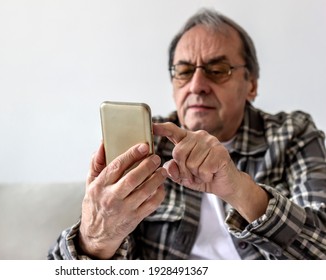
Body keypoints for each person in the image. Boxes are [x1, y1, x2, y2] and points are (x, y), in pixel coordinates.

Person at [48, 8, 326, 260]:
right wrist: (96, 238)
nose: (197, 85)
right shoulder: (145, 146)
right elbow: (55, 267)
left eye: (218, 70)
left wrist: (239, 189)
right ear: (173, 84)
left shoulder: (293, 134)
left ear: (251, 85)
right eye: (183, 71)